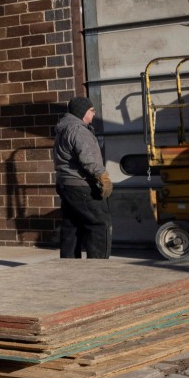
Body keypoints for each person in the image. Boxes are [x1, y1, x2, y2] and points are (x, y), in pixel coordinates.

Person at [53, 96, 113, 259]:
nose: (94, 114)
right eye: (91, 110)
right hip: (82, 185)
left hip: (66, 185)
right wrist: (102, 177)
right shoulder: (78, 130)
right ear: (82, 112)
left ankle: (69, 266)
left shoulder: (64, 128)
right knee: (99, 224)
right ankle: (97, 268)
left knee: (71, 226)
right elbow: (88, 157)